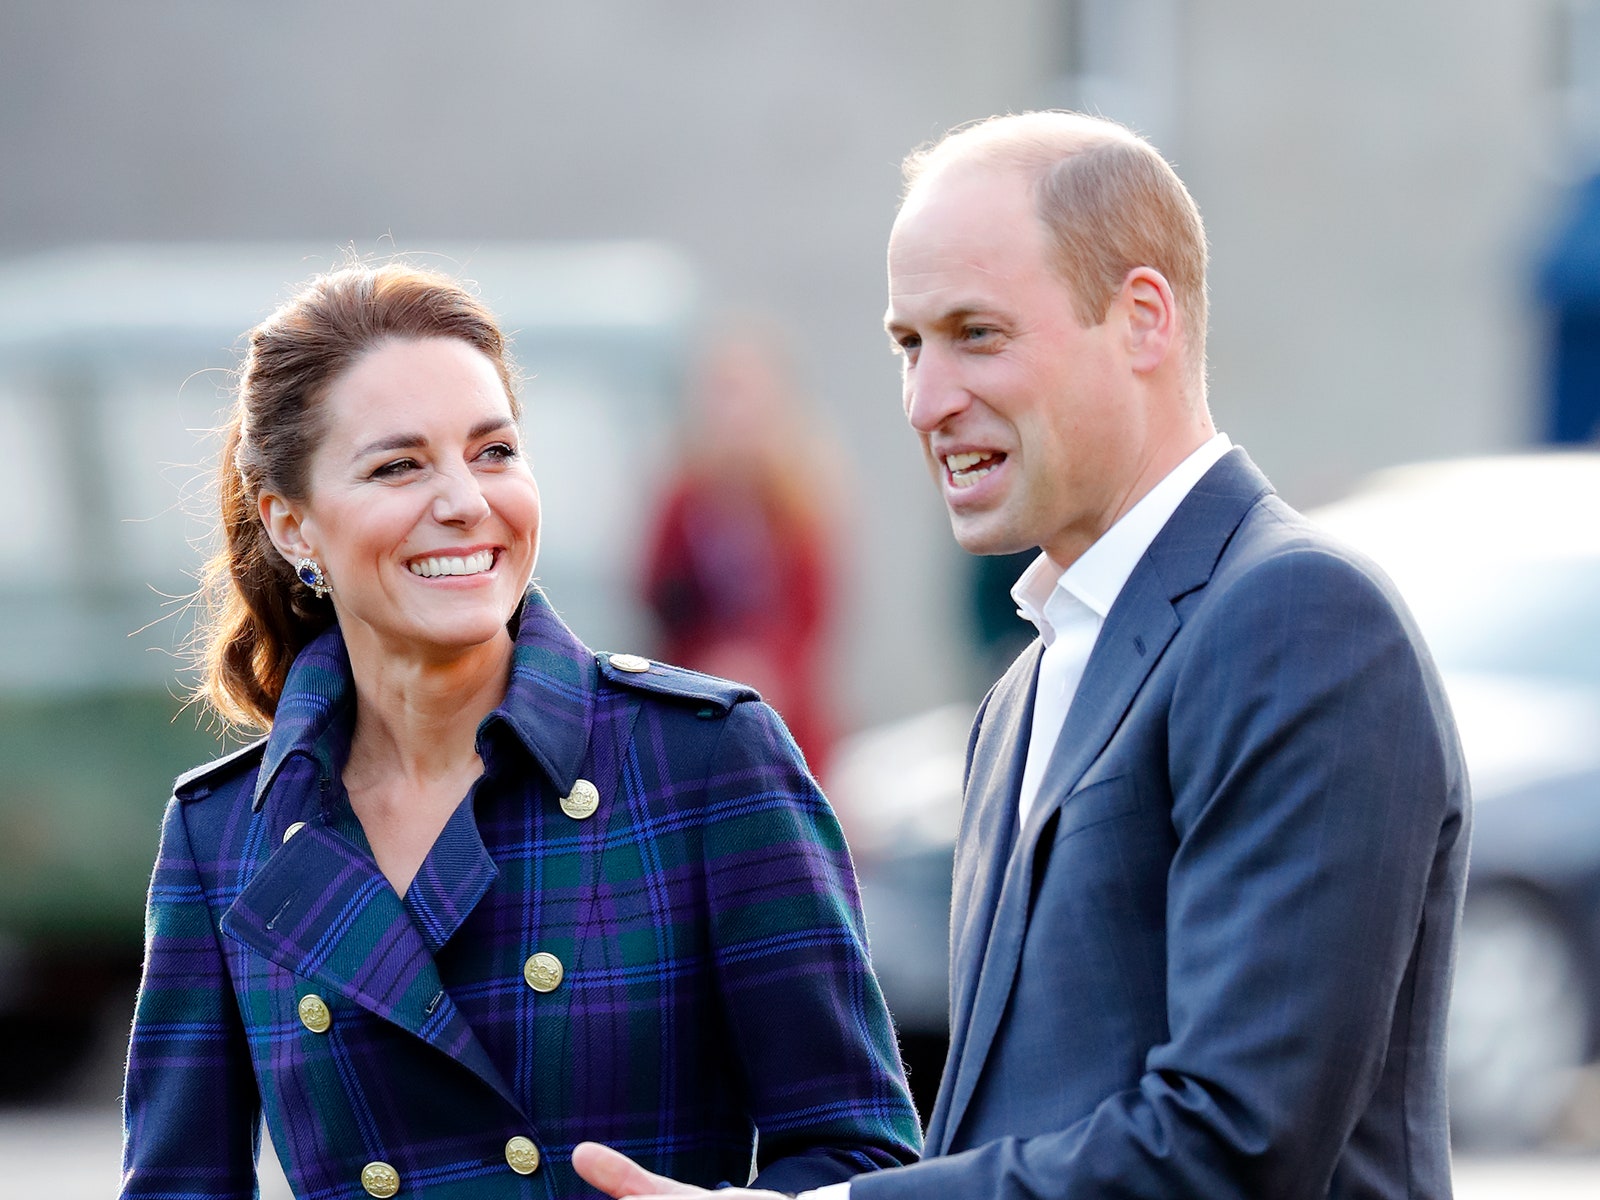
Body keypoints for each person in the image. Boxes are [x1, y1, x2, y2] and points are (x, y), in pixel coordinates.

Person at [574, 111, 1470, 1199]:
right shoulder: (1024, 690)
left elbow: (1237, 1143)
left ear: (1142, 317)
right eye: (908, 344)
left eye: (975, 334)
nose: (924, 400)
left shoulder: (1299, 619)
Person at [119, 262, 921, 1199]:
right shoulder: (222, 837)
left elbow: (861, 1157)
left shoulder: (704, 760)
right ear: (292, 525)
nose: (465, 500)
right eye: (398, 465)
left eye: (493, 451)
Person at [640, 323, 839, 775]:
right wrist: (710, 662)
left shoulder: (801, 502)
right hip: (695, 703)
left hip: (783, 713)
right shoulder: (682, 499)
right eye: (723, 396)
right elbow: (658, 600)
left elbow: (813, 616)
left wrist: (765, 664)